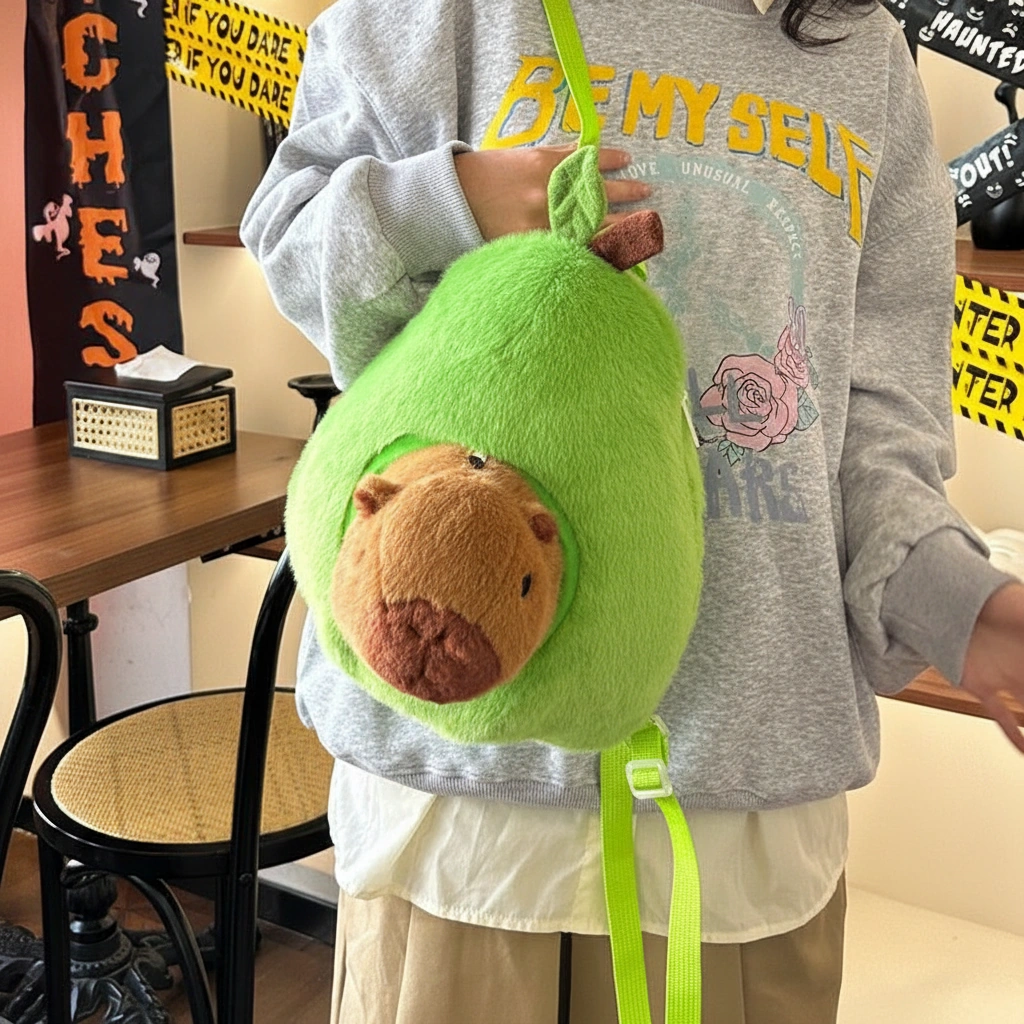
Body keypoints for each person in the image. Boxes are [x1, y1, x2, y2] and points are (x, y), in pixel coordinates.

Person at [241, 0, 1024, 1018]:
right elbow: (289, 239)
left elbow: (875, 426)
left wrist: (959, 605)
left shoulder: (857, 48)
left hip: (741, 824)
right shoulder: (444, 14)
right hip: (465, 810)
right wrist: (448, 200)